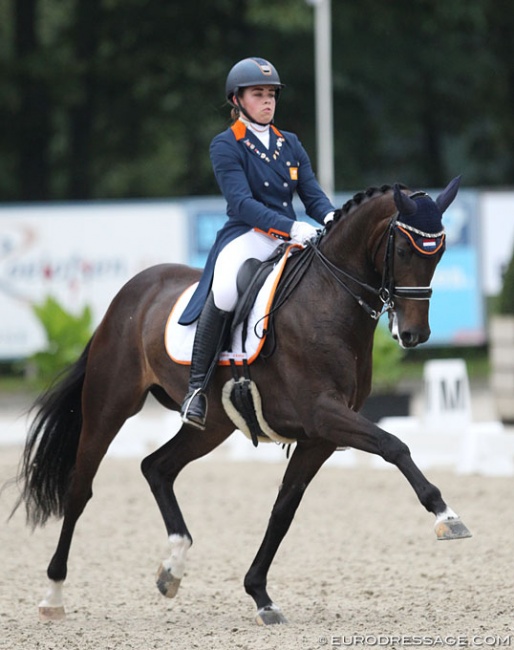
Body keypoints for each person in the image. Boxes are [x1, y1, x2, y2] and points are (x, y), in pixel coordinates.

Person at [179, 56, 336, 429]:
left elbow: (312, 195)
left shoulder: (290, 143)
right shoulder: (226, 144)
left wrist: (331, 217)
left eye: (271, 95)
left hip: (290, 236)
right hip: (247, 235)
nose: (267, 101)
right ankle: (196, 390)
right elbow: (242, 204)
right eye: (257, 94)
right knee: (226, 289)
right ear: (237, 100)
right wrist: (290, 227)